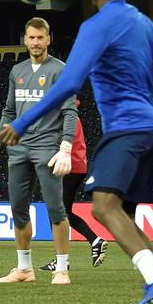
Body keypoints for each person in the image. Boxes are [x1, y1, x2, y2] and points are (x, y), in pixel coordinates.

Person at [0, 0, 153, 304]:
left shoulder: (96, 26)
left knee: (102, 206)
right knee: (124, 216)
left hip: (125, 129)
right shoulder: (142, 22)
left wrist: (22, 122)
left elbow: (70, 83)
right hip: (150, 129)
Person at [0, 17, 77, 283]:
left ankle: (62, 268)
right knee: (17, 209)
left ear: (49, 39)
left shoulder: (60, 71)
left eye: (41, 37)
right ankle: (24, 269)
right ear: (24, 40)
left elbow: (69, 110)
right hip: (18, 148)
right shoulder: (17, 71)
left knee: (55, 208)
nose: (36, 42)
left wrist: (65, 147)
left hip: (48, 147)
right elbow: (9, 111)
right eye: (31, 37)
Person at [41, 106, 110, 272]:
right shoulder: (71, 116)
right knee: (63, 212)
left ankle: (65, 258)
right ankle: (88, 244)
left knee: (57, 212)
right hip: (76, 166)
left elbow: (57, 142)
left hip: (68, 167)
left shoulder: (65, 117)